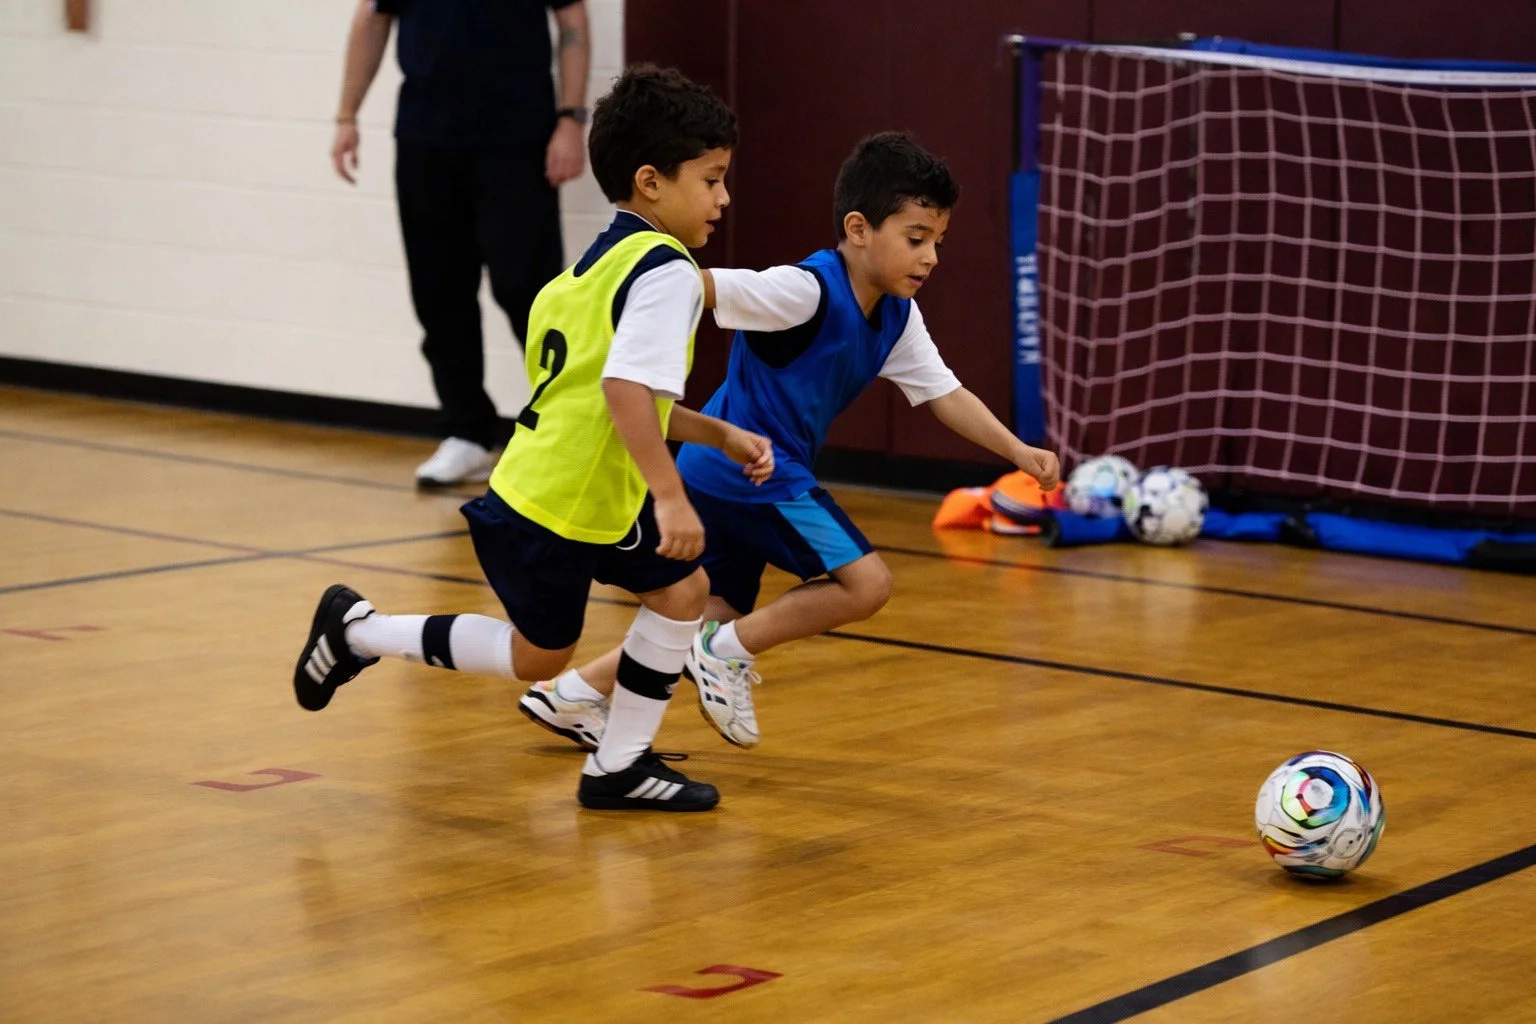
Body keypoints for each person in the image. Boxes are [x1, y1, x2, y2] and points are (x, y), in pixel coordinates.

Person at [295, 66, 772, 811]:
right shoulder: (670, 272)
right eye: (711, 179)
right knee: (540, 654)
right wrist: (673, 497)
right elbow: (621, 394)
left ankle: (619, 764)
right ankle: (362, 631)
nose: (723, 198)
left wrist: (717, 433)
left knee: (681, 594)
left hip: (555, 487)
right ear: (650, 181)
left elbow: (610, 396)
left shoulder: (583, 271)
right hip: (565, 502)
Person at [517, 131, 1060, 752]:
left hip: (714, 472)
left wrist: (1017, 452)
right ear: (858, 228)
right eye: (915, 239)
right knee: (866, 585)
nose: (931, 256)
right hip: (753, 472)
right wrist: (604, 297)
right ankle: (721, 657)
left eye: (938, 241)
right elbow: (695, 284)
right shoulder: (803, 292)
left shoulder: (896, 315)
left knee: (708, 612)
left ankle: (573, 694)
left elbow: (944, 394)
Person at [330, 0, 591, 487]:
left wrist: (571, 118)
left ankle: (573, 430)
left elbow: (573, 19)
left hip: (516, 137)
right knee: (438, 291)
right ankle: (466, 431)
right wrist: (347, 115)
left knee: (528, 289)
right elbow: (373, 17)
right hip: (426, 138)